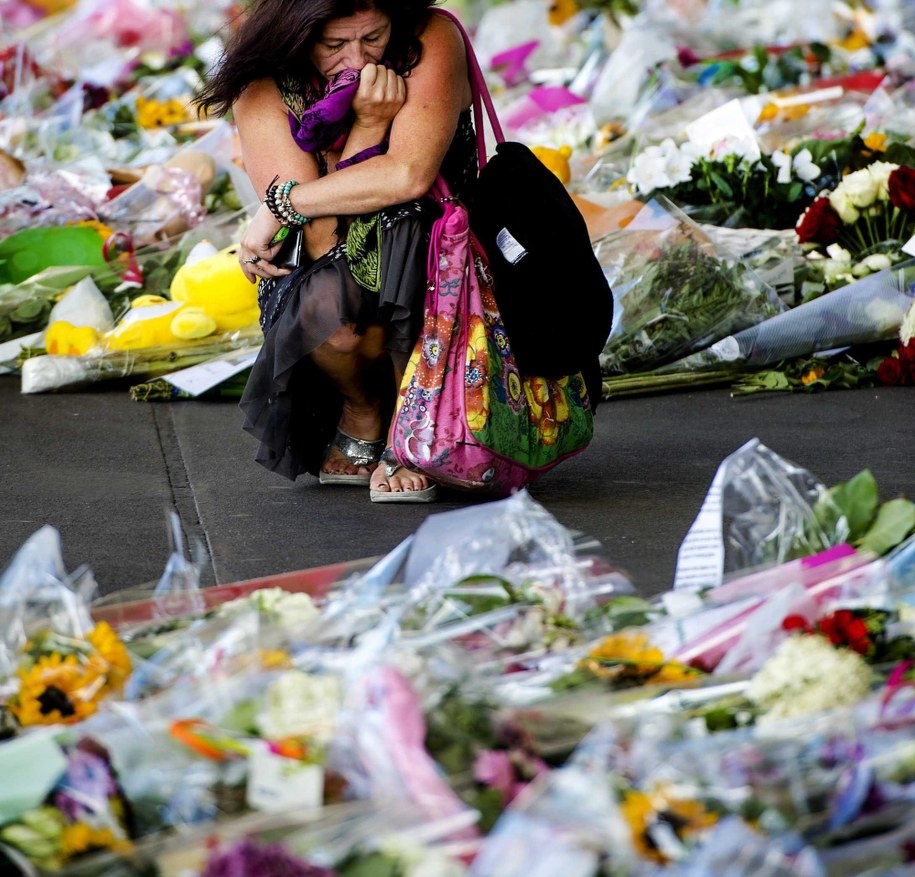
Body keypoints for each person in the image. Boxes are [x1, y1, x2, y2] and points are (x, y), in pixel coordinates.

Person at [196, 0, 476, 502]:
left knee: (405, 226)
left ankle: (414, 422)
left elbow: (407, 175)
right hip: (328, 264)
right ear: (298, 37)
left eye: (373, 38)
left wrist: (280, 205)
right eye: (334, 45)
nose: (359, 61)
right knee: (329, 311)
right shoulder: (263, 83)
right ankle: (363, 408)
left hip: (444, 259)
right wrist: (368, 127)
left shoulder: (430, 37)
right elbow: (323, 238)